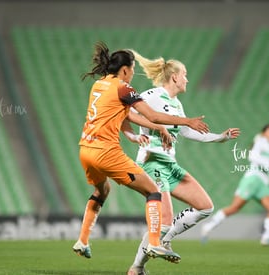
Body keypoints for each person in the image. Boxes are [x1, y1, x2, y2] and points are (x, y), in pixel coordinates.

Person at [72, 41, 210, 262]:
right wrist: (187, 121)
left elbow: (123, 115)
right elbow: (151, 115)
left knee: (102, 191)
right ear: (125, 69)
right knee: (153, 191)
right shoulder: (124, 87)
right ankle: (155, 244)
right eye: (133, 69)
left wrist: (135, 135)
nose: (134, 73)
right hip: (106, 152)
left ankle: (83, 240)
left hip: (85, 150)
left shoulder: (99, 85)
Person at [126, 51, 240, 275]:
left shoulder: (177, 104)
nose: (187, 79)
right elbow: (127, 113)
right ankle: (136, 268)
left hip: (170, 164)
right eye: (185, 75)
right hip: (152, 162)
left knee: (206, 206)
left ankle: (164, 240)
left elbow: (188, 131)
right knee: (164, 220)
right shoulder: (152, 95)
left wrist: (220, 137)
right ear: (175, 77)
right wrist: (138, 135)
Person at [201, 124, 269, 246]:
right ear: (264, 133)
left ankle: (267, 237)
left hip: (263, 184)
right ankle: (208, 226)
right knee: (234, 208)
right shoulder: (261, 141)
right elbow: (252, 156)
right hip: (253, 179)